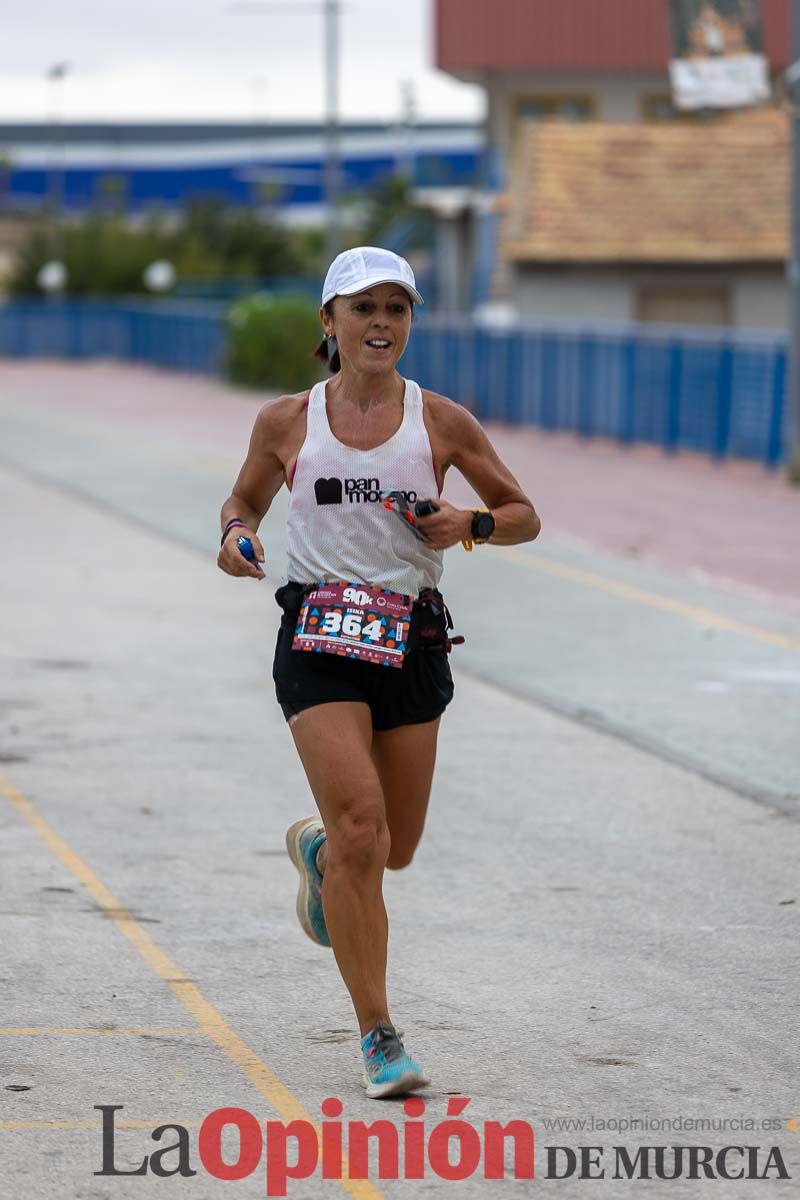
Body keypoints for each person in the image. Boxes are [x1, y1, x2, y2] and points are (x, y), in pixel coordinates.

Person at [218, 246, 540, 1098]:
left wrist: (468, 525)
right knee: (365, 831)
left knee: (393, 847)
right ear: (329, 323)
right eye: (363, 309)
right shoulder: (288, 421)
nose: (382, 324)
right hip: (319, 636)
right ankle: (379, 1035)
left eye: (397, 309)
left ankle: (321, 853)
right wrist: (236, 537)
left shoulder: (443, 422)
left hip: (411, 639)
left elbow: (523, 516)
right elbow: (243, 500)